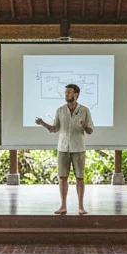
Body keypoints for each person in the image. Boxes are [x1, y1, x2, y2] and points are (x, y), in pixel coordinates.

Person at [33, 83, 93, 215]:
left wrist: (84, 126)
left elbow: (90, 131)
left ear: (76, 95)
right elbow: (54, 129)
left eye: (69, 92)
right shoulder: (60, 110)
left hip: (78, 148)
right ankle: (63, 206)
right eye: (66, 93)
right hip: (63, 148)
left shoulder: (85, 110)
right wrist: (42, 123)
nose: (67, 95)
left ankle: (81, 207)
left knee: (80, 178)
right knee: (62, 177)